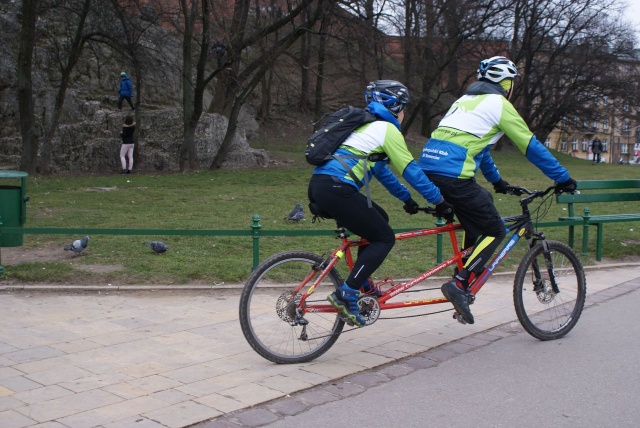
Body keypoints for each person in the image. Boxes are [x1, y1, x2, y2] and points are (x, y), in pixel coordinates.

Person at [418, 56, 577, 325]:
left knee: (482, 208)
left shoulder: (464, 101)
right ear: (507, 83)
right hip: (452, 175)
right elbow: (531, 146)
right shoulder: (499, 104)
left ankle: (464, 276)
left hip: (429, 168)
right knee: (495, 229)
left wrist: (497, 181)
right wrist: (562, 177)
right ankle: (460, 282)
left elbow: (480, 148)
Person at [308, 80, 454, 327]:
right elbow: (410, 170)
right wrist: (439, 201)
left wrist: (407, 199)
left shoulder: (367, 129)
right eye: (404, 108)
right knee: (384, 237)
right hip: (337, 187)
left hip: (322, 185)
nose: (404, 114)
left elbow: (382, 172)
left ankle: (362, 283)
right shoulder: (386, 130)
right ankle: (348, 292)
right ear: (395, 106)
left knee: (380, 219)